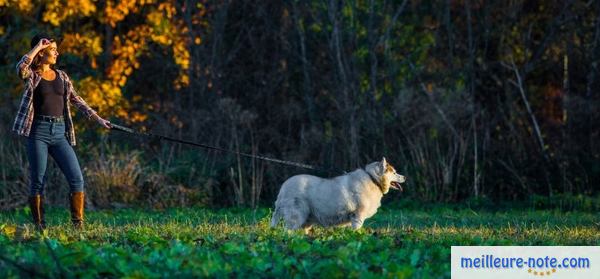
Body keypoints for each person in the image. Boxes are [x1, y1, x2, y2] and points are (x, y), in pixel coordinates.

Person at [13, 33, 111, 230]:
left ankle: (78, 226)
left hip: (59, 132)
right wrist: (36, 48)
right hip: (37, 132)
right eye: (52, 50)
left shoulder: (63, 77)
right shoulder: (34, 76)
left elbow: (77, 100)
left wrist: (99, 119)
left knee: (76, 178)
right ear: (41, 54)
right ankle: (40, 227)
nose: (57, 53)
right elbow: (21, 69)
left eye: (56, 49)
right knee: (38, 181)